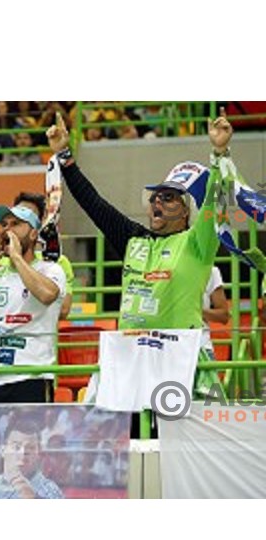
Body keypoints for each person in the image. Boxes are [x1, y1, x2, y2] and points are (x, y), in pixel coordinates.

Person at [46, 109, 233, 397]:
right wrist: (65, 156)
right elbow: (93, 203)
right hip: (131, 357)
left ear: (186, 212)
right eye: (155, 198)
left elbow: (215, 203)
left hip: (179, 358)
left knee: (174, 440)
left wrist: (220, 153)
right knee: (130, 439)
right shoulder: (133, 239)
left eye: (168, 198)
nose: (158, 202)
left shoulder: (197, 242)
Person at [0, 193, 67, 404]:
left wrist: (16, 257)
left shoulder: (50, 269)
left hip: (31, 376)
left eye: (16, 224)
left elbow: (47, 295)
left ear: (34, 234)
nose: (7, 230)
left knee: (24, 439)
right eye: (5, 224)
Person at [202, 266, 230, 358]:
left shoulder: (211, 271)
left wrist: (195, 311)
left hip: (201, 347)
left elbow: (224, 316)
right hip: (165, 346)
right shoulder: (160, 269)